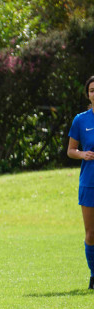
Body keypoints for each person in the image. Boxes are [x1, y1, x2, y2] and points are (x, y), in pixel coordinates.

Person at [67, 75, 94, 290]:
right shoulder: (81, 120)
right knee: (91, 233)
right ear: (88, 94)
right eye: (92, 90)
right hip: (89, 183)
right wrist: (82, 154)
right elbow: (70, 150)